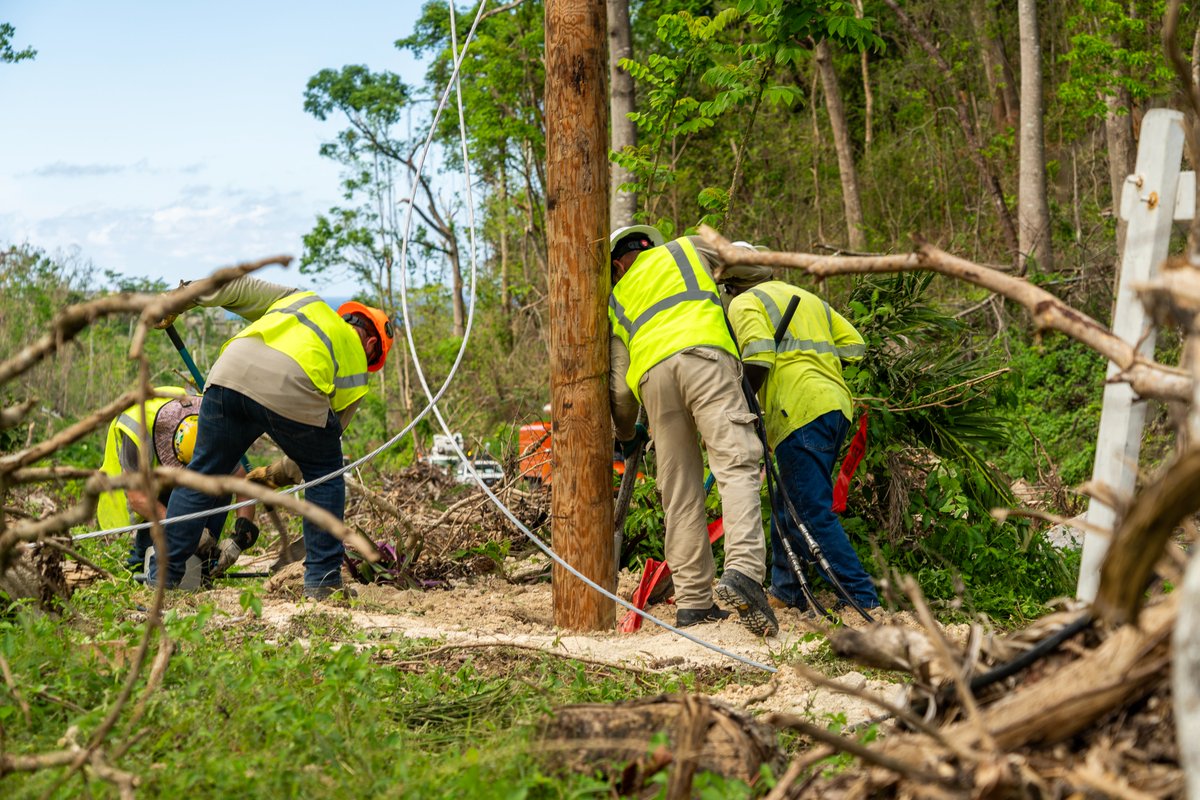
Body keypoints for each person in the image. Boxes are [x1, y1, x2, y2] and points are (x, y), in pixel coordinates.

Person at [148, 276, 393, 599]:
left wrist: (178, 299)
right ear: (373, 346)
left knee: (202, 473)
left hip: (228, 375)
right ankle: (322, 583)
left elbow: (233, 287)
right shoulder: (357, 367)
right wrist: (273, 477)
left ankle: (163, 579)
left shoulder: (303, 301)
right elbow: (315, 458)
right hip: (291, 387)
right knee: (327, 477)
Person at [608, 225, 778, 636]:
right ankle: (743, 571)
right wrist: (732, 277)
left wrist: (627, 435)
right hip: (705, 358)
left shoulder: (617, 300)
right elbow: (758, 265)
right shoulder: (687, 250)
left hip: (652, 382)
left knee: (680, 492)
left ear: (617, 266)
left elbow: (618, 390)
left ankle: (694, 603)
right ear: (652, 243)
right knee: (735, 463)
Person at [725, 265, 880, 612]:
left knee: (809, 510)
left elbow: (759, 357)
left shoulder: (744, 302)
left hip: (798, 409)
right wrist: (815, 362)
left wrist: (741, 409)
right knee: (787, 504)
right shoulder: (809, 299)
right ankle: (786, 591)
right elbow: (855, 347)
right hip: (834, 405)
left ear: (732, 285)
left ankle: (861, 598)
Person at [96, 386, 258, 580]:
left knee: (219, 481)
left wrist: (239, 537)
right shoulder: (136, 430)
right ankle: (140, 564)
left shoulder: (211, 420)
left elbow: (242, 481)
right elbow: (137, 498)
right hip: (151, 483)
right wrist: (187, 530)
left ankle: (205, 564)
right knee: (149, 553)